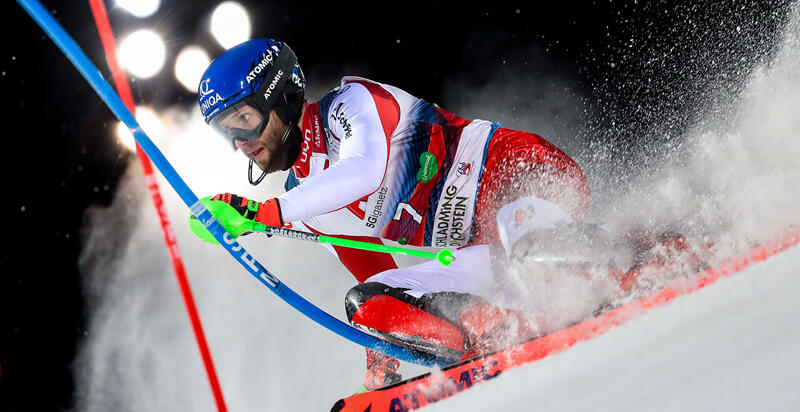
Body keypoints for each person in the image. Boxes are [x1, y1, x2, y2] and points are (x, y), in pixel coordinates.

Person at [194, 38, 592, 390]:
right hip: (484, 254)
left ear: (281, 97)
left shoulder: (348, 104)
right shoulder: (303, 201)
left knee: (531, 253)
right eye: (227, 131)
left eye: (245, 120)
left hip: (519, 174)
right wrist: (380, 347)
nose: (241, 142)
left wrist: (264, 213)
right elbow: (375, 273)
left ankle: (612, 267)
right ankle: (495, 335)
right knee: (366, 304)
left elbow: (363, 169)